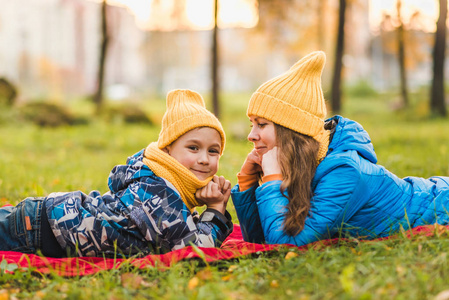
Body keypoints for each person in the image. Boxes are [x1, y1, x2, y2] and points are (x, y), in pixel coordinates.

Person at [231, 51, 449, 246]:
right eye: (252, 125)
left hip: (441, 206)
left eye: (261, 124)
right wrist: (248, 183)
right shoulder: (303, 162)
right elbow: (259, 240)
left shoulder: (344, 171)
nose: (251, 135)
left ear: (291, 131)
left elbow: (285, 245)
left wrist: (272, 180)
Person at [0, 89, 233, 257]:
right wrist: (215, 211)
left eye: (213, 151)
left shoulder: (161, 182)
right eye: (193, 148)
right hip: (37, 232)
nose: (204, 159)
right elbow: (196, 252)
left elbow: (175, 231)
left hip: (40, 222)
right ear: (168, 150)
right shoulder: (158, 192)